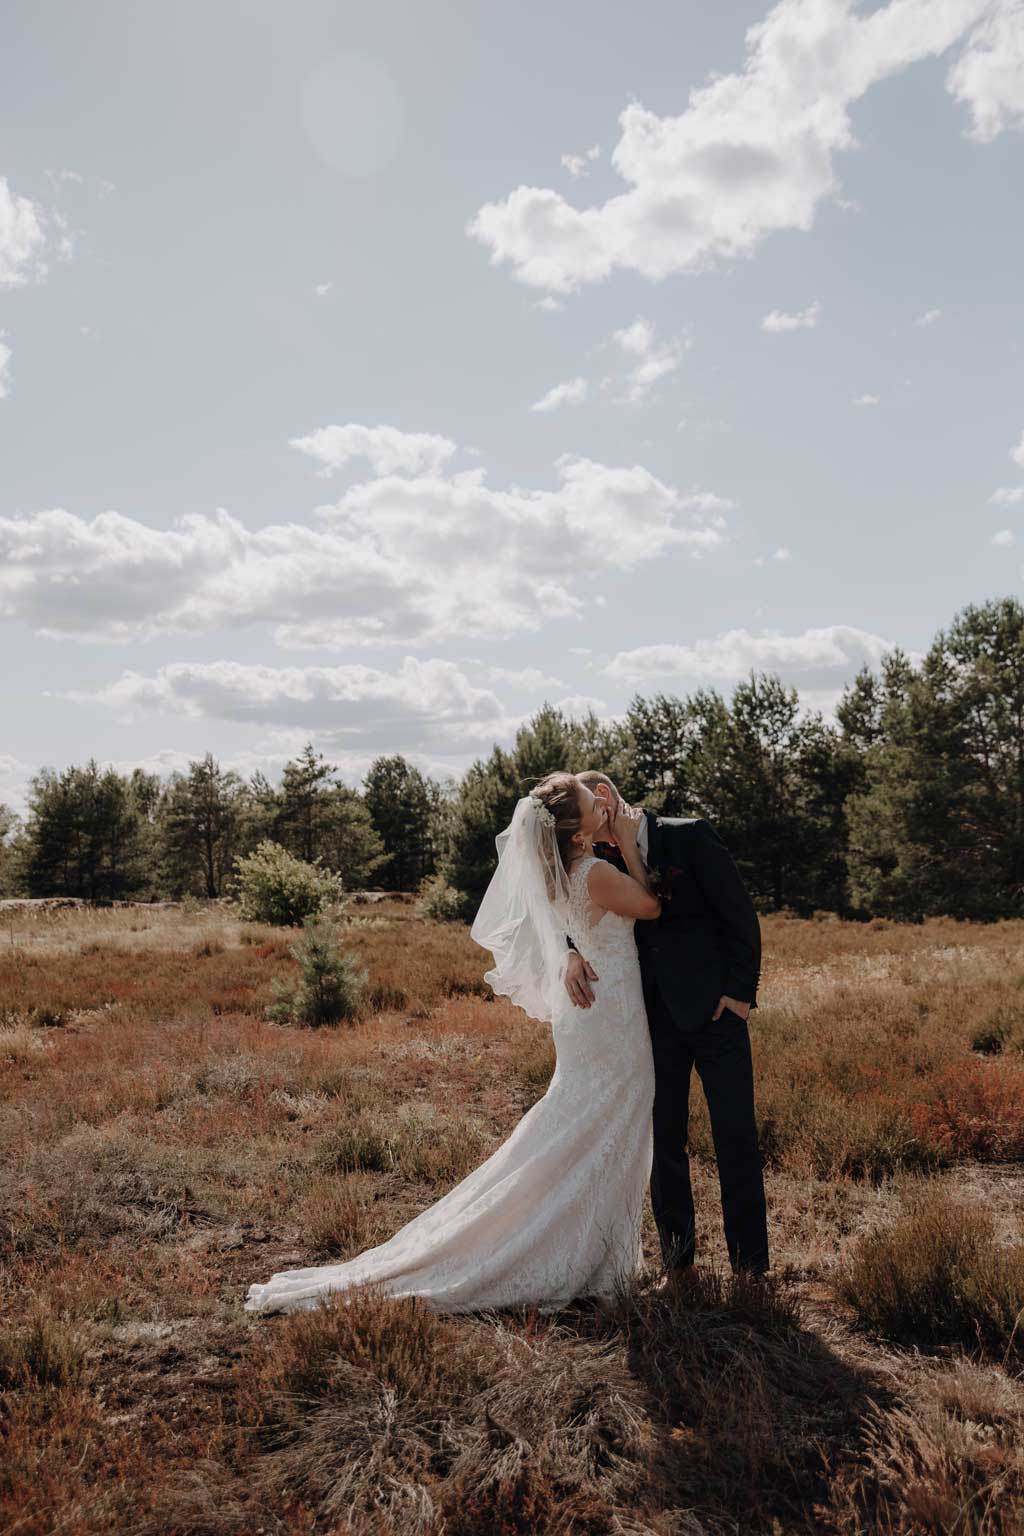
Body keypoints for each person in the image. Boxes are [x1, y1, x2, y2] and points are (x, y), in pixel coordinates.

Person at [244, 771, 661, 1316]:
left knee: (584, 1125)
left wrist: (571, 950)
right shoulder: (600, 872)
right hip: (611, 1020)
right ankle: (591, 1255)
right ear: (578, 835)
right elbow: (652, 906)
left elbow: (570, 926)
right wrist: (630, 842)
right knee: (605, 1125)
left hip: (593, 1015)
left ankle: (598, 1251)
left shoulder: (561, 874)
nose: (602, 806)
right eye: (592, 806)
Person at [565, 772, 769, 1284]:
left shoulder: (690, 834)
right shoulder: (602, 859)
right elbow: (578, 912)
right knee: (665, 1142)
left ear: (606, 800)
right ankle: (680, 1267)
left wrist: (740, 995)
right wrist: (570, 952)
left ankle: (751, 1269)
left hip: (718, 1013)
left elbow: (739, 916)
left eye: (592, 807)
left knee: (735, 1138)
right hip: (651, 1020)